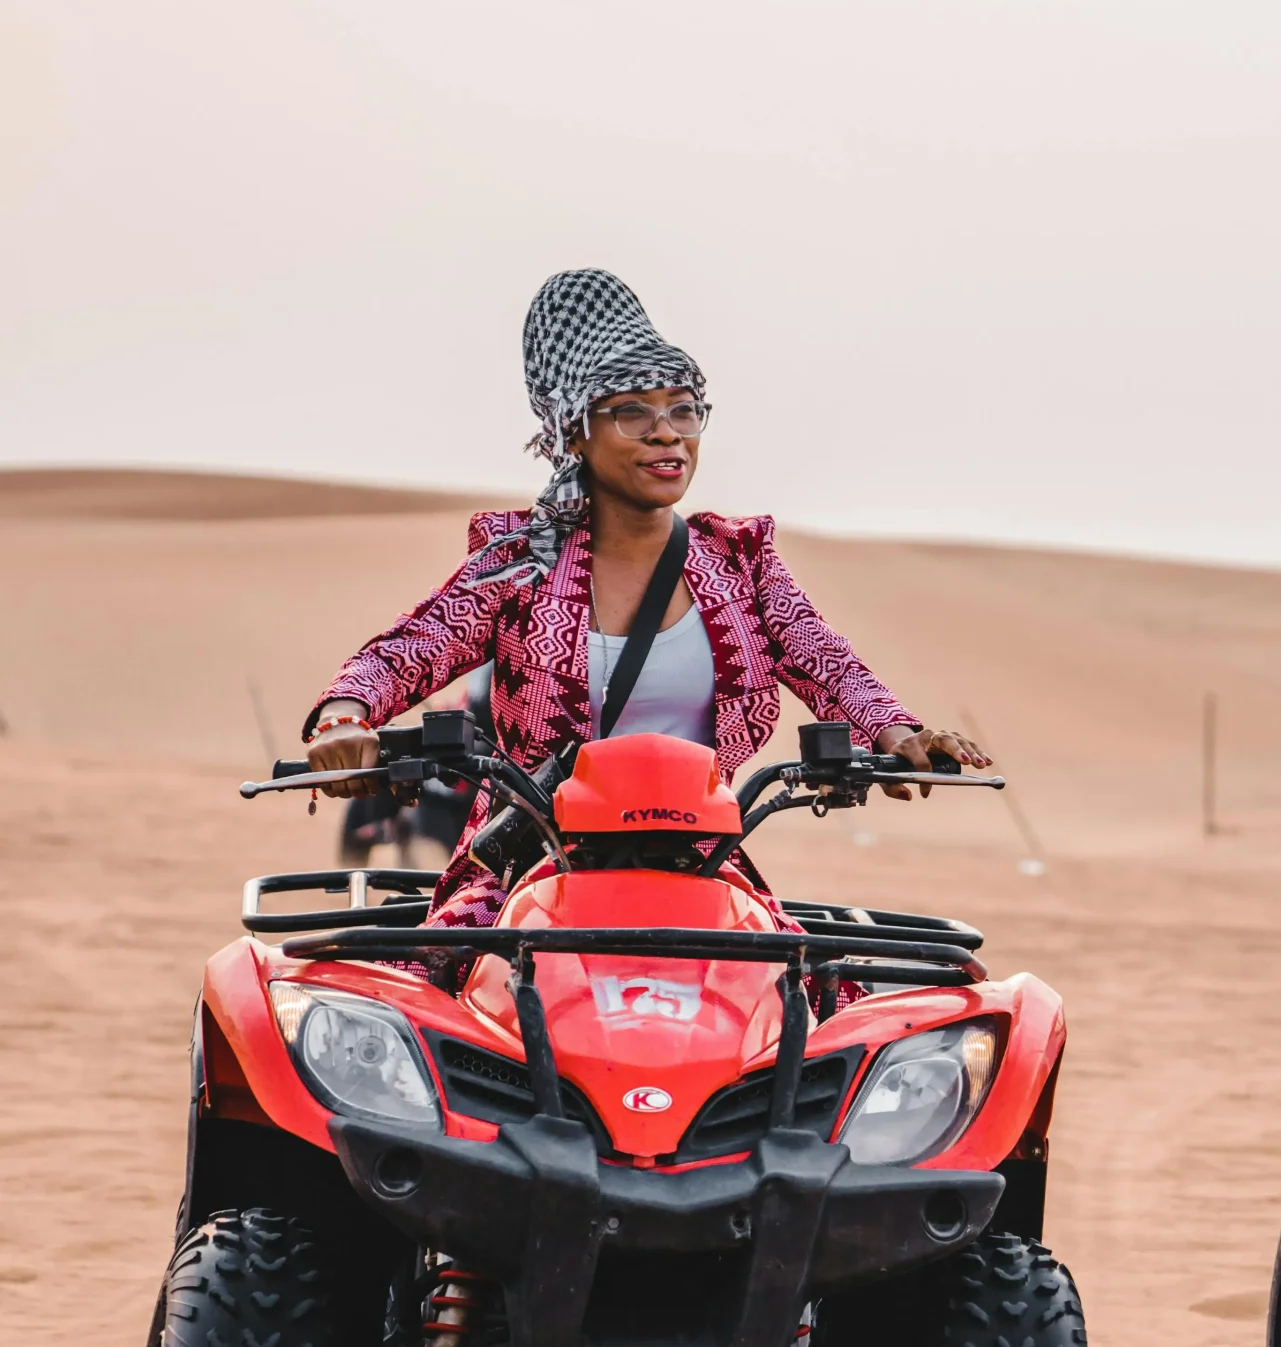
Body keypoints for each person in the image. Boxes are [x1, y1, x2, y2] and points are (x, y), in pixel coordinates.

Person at [304, 269, 986, 926]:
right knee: (435, 1005)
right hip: (532, 870)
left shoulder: (739, 562)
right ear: (575, 432)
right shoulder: (519, 562)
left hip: (700, 866)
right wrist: (344, 719)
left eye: (683, 409)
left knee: (802, 1006)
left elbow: (828, 662)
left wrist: (896, 732)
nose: (668, 432)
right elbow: (407, 652)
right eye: (632, 411)